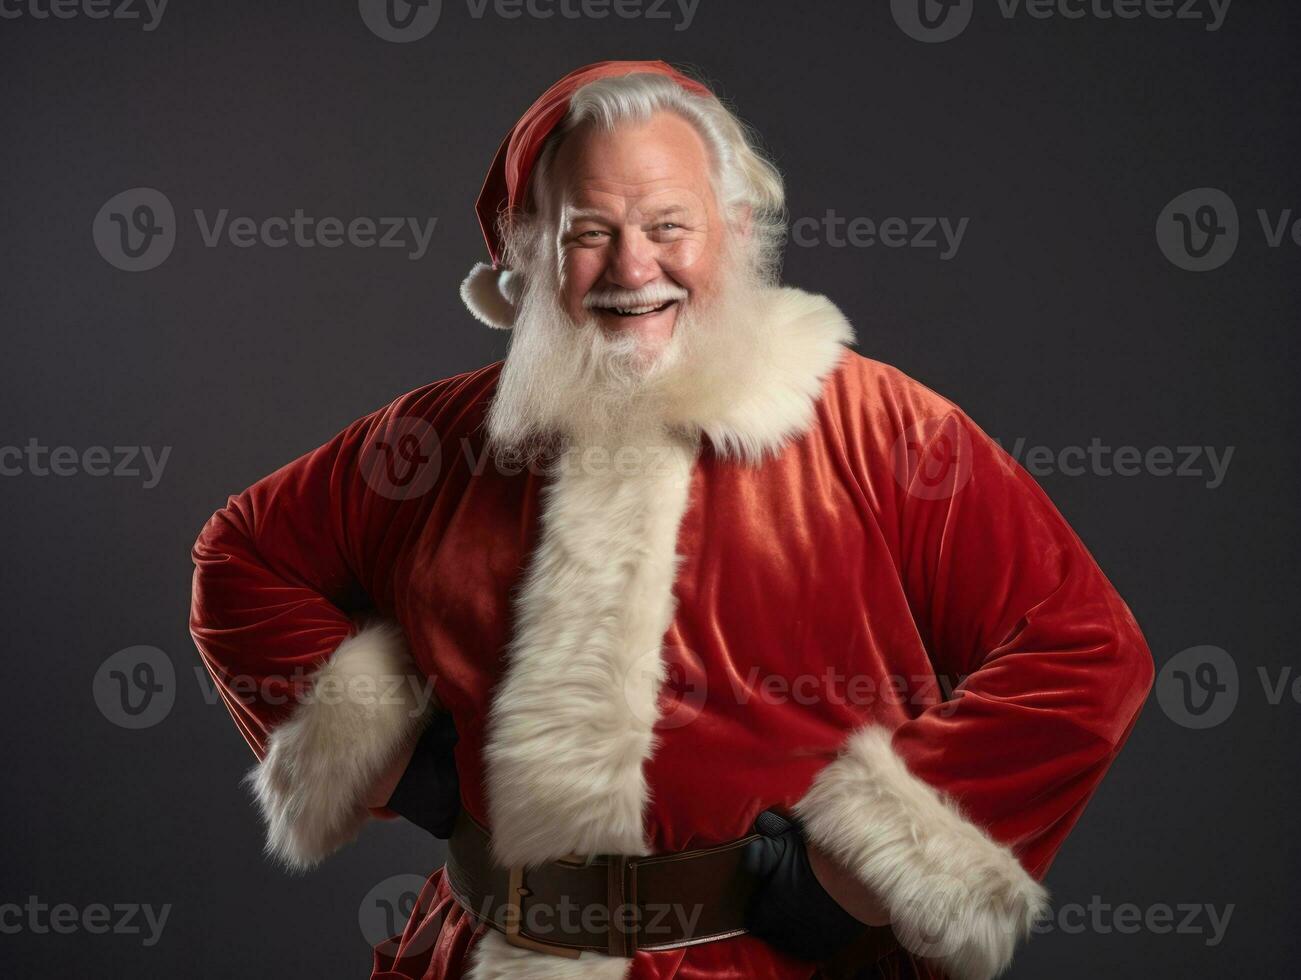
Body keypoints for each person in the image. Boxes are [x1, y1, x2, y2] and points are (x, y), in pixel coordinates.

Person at [189, 60, 1154, 980]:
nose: (632, 266)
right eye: (586, 232)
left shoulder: (884, 428)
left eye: (668, 224)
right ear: (528, 251)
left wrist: (866, 861)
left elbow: (1080, 651)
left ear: (733, 230)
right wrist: (390, 749)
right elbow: (242, 555)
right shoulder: (439, 442)